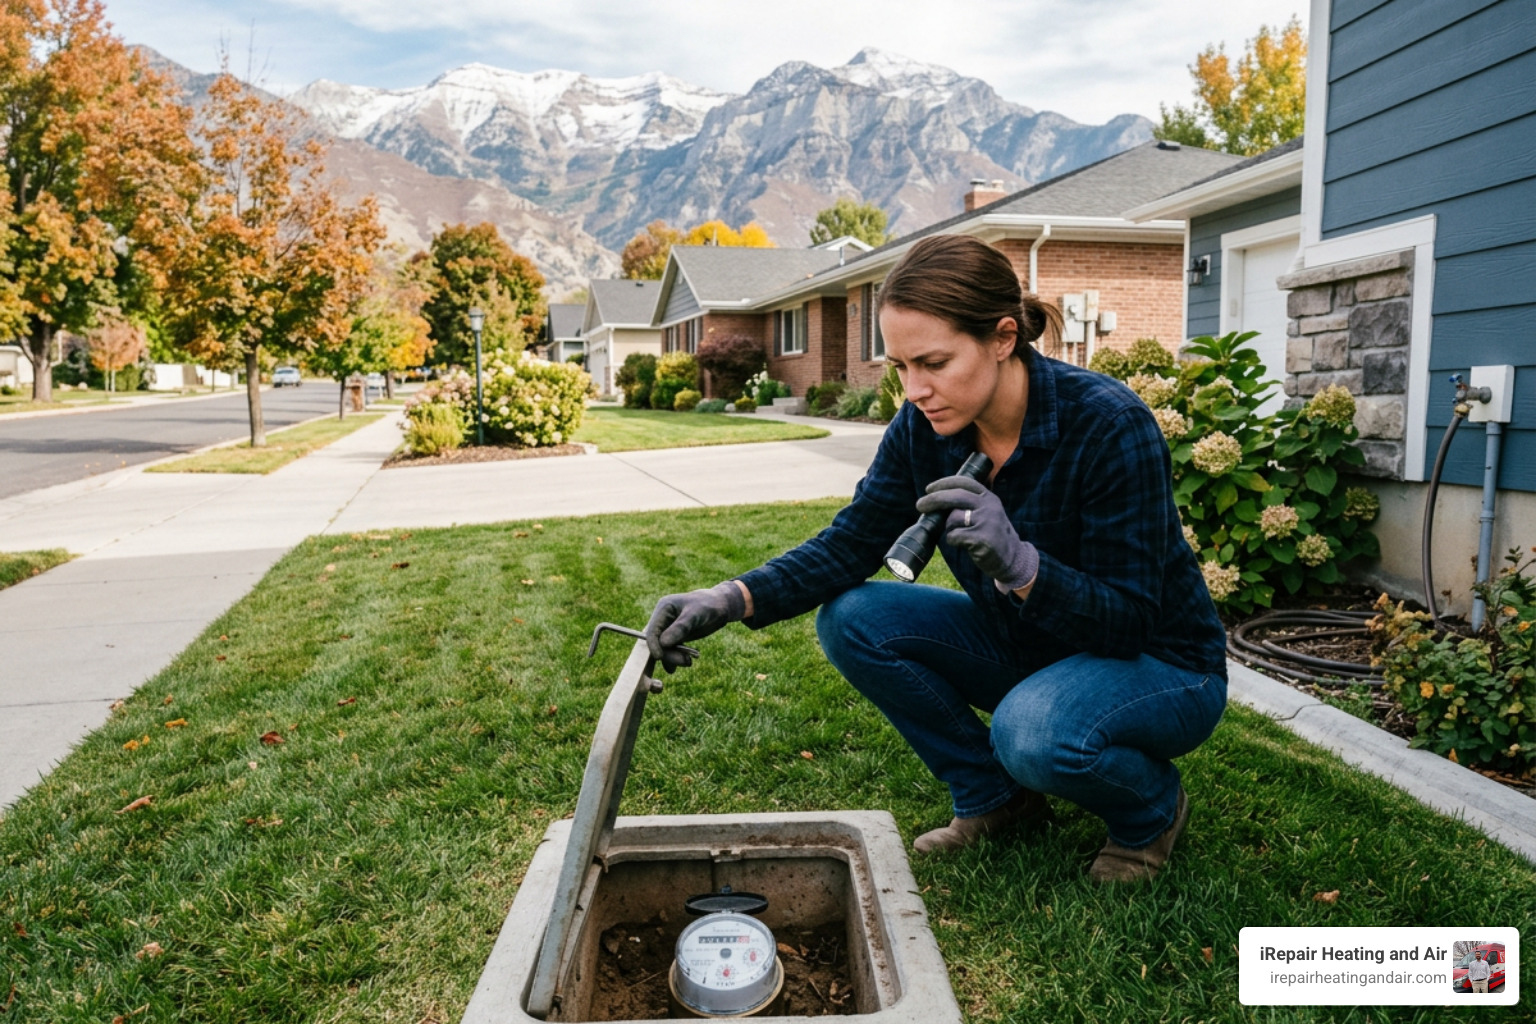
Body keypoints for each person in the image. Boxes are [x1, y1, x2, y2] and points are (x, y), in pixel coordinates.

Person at [643, 234, 1229, 883]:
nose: (914, 388)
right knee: (855, 618)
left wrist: (1024, 566)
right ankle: (996, 799)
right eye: (899, 365)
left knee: (1030, 732)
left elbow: (1131, 620)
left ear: (1003, 337)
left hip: (1161, 664)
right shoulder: (925, 427)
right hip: (1035, 647)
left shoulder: (1109, 424)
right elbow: (851, 542)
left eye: (934, 362)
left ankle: (1150, 809)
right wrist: (731, 598)